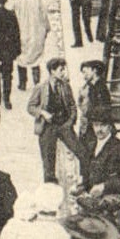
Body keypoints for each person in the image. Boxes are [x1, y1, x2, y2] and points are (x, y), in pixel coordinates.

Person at [28, 56, 82, 185]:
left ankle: (85, 179)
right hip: (47, 127)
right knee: (48, 160)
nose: (63, 72)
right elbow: (30, 107)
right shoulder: (41, 87)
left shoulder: (65, 86)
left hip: (64, 125)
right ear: (52, 71)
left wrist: (70, 122)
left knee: (80, 151)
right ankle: (50, 187)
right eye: (61, 70)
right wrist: (42, 113)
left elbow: (73, 106)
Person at [82, 108, 120, 230]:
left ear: (111, 126)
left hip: (113, 215)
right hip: (92, 212)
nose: (99, 129)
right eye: (96, 125)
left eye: (103, 125)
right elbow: (88, 177)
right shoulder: (90, 147)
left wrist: (104, 186)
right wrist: (81, 187)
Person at [13, 0, 50, 92]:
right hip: (35, 33)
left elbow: (11, 16)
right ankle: (36, 83)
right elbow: (44, 17)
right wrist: (46, 29)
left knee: (21, 57)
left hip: (20, 32)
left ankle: (22, 83)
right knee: (36, 59)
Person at [76, 59, 113, 164]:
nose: (84, 75)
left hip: (96, 126)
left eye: (86, 71)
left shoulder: (100, 88)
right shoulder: (91, 86)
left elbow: (104, 108)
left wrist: (89, 113)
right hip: (90, 125)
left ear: (95, 71)